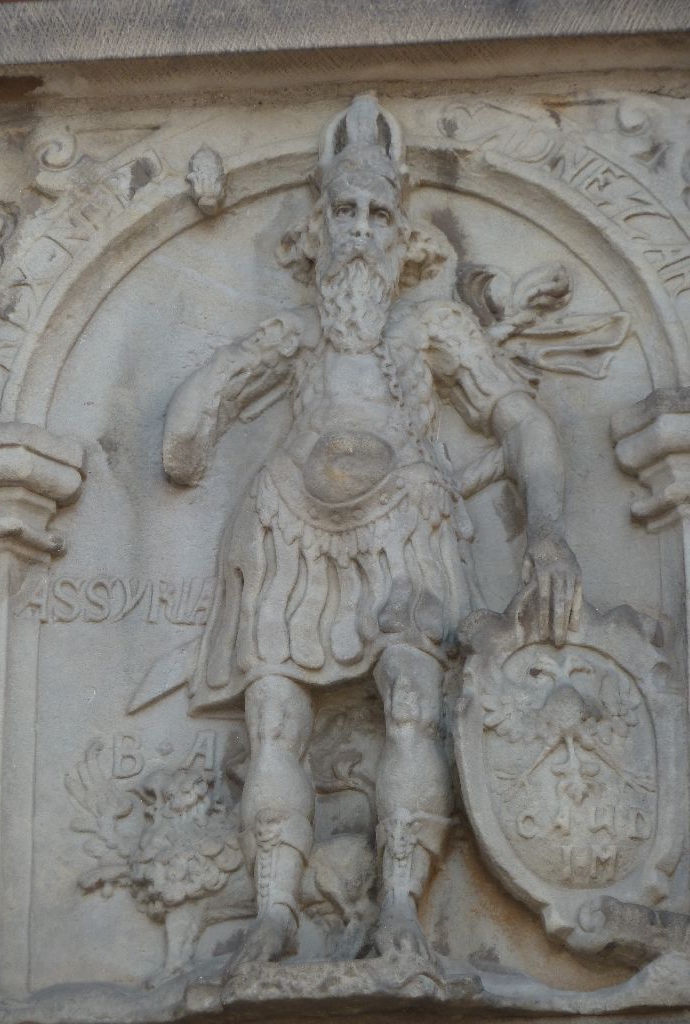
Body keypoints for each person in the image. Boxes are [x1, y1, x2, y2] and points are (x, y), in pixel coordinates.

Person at [162, 95, 581, 968]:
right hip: (288, 530)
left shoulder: (431, 327)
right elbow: (185, 435)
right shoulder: (294, 335)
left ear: (401, 238)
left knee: (413, 699)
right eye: (344, 212)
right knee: (273, 715)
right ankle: (274, 915)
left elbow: (523, 422)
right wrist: (206, 405)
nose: (359, 230)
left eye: (377, 215)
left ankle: (398, 909)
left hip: (403, 527)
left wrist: (546, 531)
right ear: (317, 232)